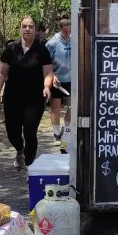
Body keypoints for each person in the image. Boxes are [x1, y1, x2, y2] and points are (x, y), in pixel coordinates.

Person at [0, 15, 54, 170]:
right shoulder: (11, 49)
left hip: (34, 99)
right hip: (13, 98)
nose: (28, 29)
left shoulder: (41, 49)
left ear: (35, 30)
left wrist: (47, 87)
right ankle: (19, 150)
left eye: (31, 26)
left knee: (30, 130)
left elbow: (48, 73)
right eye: (25, 26)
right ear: (20, 29)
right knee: (12, 132)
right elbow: (1, 72)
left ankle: (30, 165)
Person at [46, 13, 72, 142]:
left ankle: (66, 131)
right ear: (60, 29)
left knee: (72, 106)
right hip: (57, 80)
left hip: (71, 80)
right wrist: (52, 75)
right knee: (56, 108)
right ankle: (56, 134)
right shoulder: (52, 43)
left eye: (69, 30)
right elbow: (45, 62)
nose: (68, 33)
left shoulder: (74, 40)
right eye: (65, 31)